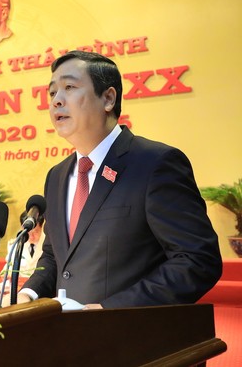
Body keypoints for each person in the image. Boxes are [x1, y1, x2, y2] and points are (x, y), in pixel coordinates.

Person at [13, 50, 222, 310]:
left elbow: (198, 259)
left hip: (132, 339)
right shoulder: (57, 176)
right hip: (67, 337)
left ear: (108, 98)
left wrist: (109, 309)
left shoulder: (155, 163)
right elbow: (56, 257)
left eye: (68, 87)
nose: (56, 100)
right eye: (52, 92)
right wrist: (29, 294)